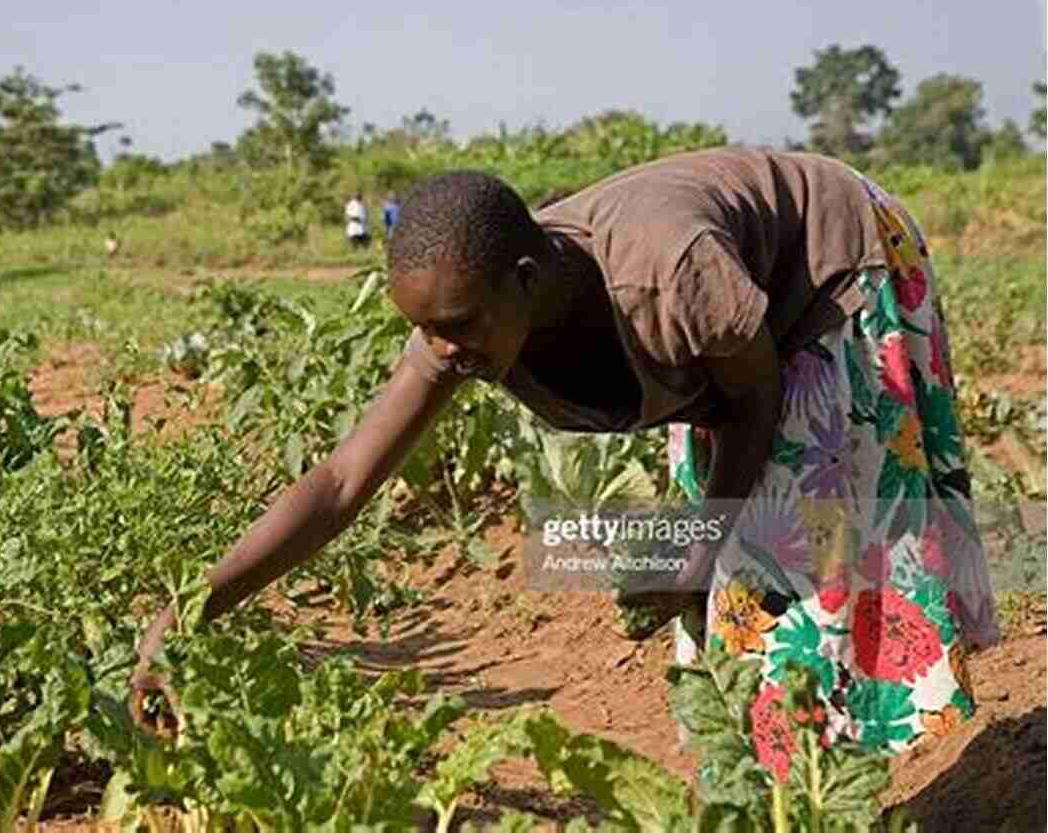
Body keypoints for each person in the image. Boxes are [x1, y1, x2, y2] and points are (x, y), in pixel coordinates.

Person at [132, 147, 999, 764]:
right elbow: (339, 481)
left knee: (802, 545)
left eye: (456, 325)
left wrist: (693, 553)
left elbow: (752, 397)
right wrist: (192, 608)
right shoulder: (462, 315)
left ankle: (837, 775)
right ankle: (758, 780)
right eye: (423, 330)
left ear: (526, 275)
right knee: (728, 579)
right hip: (728, 338)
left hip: (833, 263)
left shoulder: (665, 272)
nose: (440, 347)